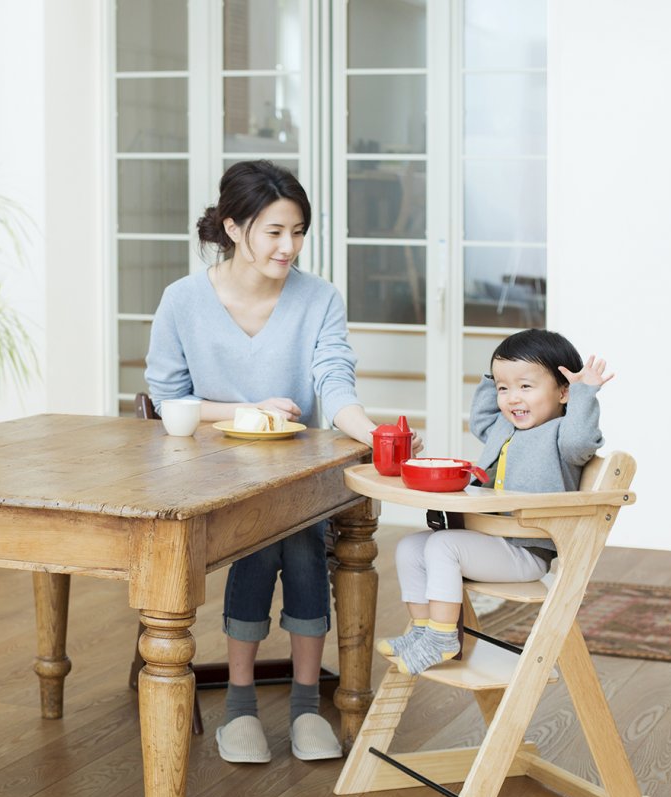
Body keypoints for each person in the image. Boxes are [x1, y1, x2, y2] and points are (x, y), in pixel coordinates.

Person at [145, 160, 420, 764]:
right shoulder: (183, 300)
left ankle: (300, 703)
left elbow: (335, 383)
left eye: (297, 232)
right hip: (212, 471)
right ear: (234, 227)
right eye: (274, 232)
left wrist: (374, 436)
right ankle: (242, 705)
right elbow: (168, 399)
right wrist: (245, 411)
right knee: (260, 534)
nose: (288, 246)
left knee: (295, 536)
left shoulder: (317, 297)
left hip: (295, 470)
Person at [377, 328, 613, 675]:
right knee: (409, 547)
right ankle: (424, 631)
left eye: (525, 386)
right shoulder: (504, 429)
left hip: (524, 551)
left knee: (442, 547)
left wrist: (583, 393)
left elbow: (582, 439)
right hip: (490, 541)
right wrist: (494, 377)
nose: (512, 398)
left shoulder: (562, 437)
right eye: (504, 388)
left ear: (562, 391)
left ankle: (442, 639)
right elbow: (482, 418)